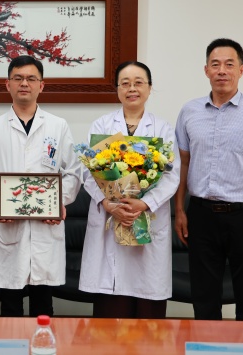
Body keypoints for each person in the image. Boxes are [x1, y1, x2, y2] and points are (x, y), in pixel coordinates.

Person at [174, 38, 243, 321]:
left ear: (241, 70)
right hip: (201, 215)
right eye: (215, 64)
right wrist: (180, 210)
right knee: (204, 300)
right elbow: (183, 163)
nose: (222, 70)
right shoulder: (189, 111)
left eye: (229, 64)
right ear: (206, 70)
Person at [0, 55, 81, 317]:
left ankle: (42, 340)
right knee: (10, 303)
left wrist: (59, 202)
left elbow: (73, 171)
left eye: (31, 79)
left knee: (43, 304)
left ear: (41, 85)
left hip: (46, 226)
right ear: (7, 84)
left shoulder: (57, 126)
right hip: (9, 226)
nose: (24, 84)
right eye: (18, 78)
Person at [78, 61, 180, 318]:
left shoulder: (163, 129)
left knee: (147, 304)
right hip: (110, 216)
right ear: (117, 89)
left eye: (138, 83)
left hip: (146, 217)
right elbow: (88, 173)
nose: (132, 88)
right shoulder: (101, 126)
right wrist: (109, 204)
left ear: (149, 88)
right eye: (125, 83)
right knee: (111, 308)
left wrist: (145, 203)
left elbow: (172, 176)